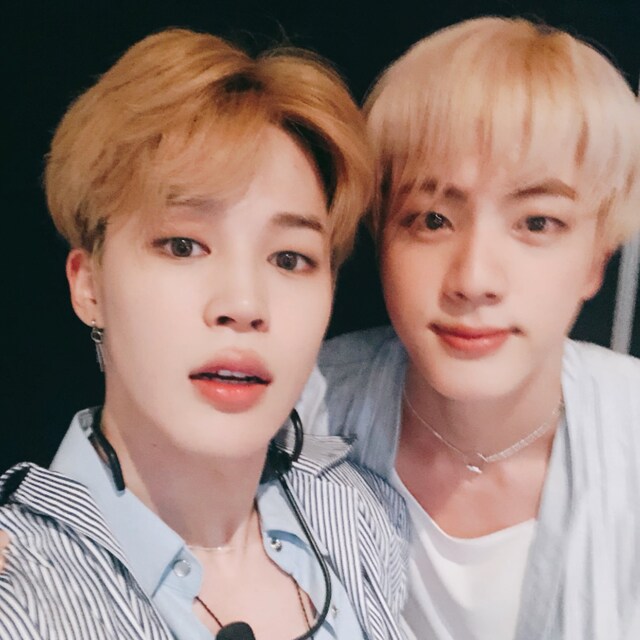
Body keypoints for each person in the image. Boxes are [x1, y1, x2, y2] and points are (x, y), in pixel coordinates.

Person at [0, 28, 408, 640]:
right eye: (183, 245)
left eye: (290, 258)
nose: (243, 305)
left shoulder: (356, 509)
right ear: (89, 286)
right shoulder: (23, 592)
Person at [300, 16, 640, 640]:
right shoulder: (298, 414)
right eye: (431, 219)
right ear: (381, 235)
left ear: (597, 259)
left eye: (537, 223)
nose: (474, 279)